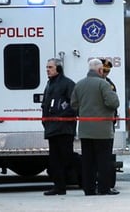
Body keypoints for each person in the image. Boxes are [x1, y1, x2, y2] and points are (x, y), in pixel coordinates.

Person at [71, 58, 120, 195]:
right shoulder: (103, 84)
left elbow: (73, 104)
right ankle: (104, 188)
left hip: (85, 130)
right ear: (99, 70)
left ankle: (89, 189)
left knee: (88, 162)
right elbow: (113, 103)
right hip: (103, 130)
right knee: (103, 161)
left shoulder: (79, 84)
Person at [41, 58, 77, 195]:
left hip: (64, 128)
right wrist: (45, 121)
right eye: (47, 67)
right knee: (54, 160)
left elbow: (74, 105)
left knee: (68, 157)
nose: (47, 70)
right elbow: (45, 104)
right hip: (51, 128)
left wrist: (62, 117)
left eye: (50, 67)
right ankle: (59, 187)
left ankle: (89, 176)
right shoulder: (49, 84)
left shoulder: (67, 84)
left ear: (58, 69)